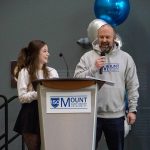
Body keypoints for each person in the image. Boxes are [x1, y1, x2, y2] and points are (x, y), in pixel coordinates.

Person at [74, 24, 139, 150]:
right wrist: (93, 68)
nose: (104, 40)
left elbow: (132, 85)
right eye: (101, 37)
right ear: (97, 37)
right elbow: (77, 79)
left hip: (116, 116)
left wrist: (132, 110)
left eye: (107, 37)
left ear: (114, 38)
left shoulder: (125, 58)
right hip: (92, 116)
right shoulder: (87, 57)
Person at [14, 40, 59, 150]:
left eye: (47, 51)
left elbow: (57, 92)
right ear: (35, 54)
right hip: (30, 115)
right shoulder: (25, 72)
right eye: (44, 51)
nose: (48, 54)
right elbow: (22, 97)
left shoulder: (52, 71)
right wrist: (39, 93)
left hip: (49, 111)